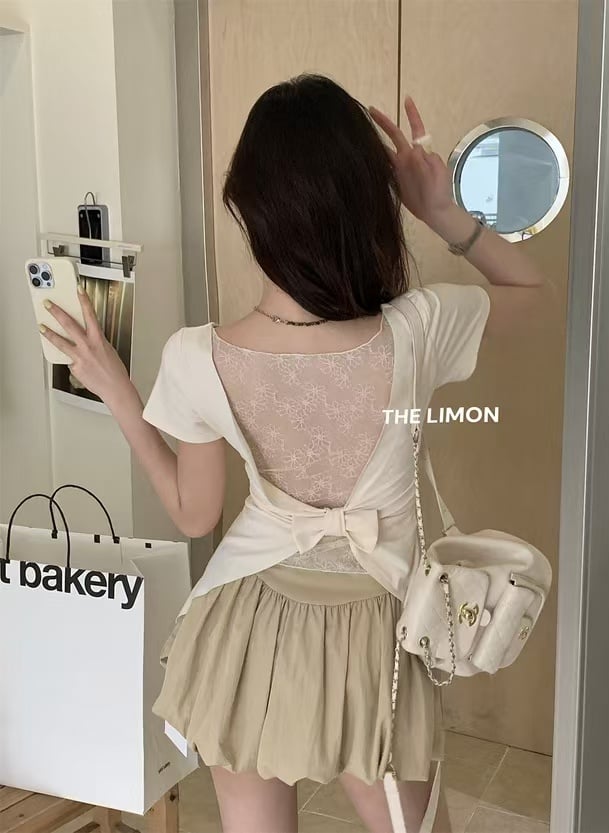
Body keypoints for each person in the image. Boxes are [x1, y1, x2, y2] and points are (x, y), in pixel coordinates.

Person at [40, 75, 550, 833]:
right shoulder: (418, 329)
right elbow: (531, 295)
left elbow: (195, 514)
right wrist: (443, 211)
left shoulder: (195, 356)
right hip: (377, 636)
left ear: (248, 209)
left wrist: (119, 390)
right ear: (371, 206)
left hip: (246, 627)